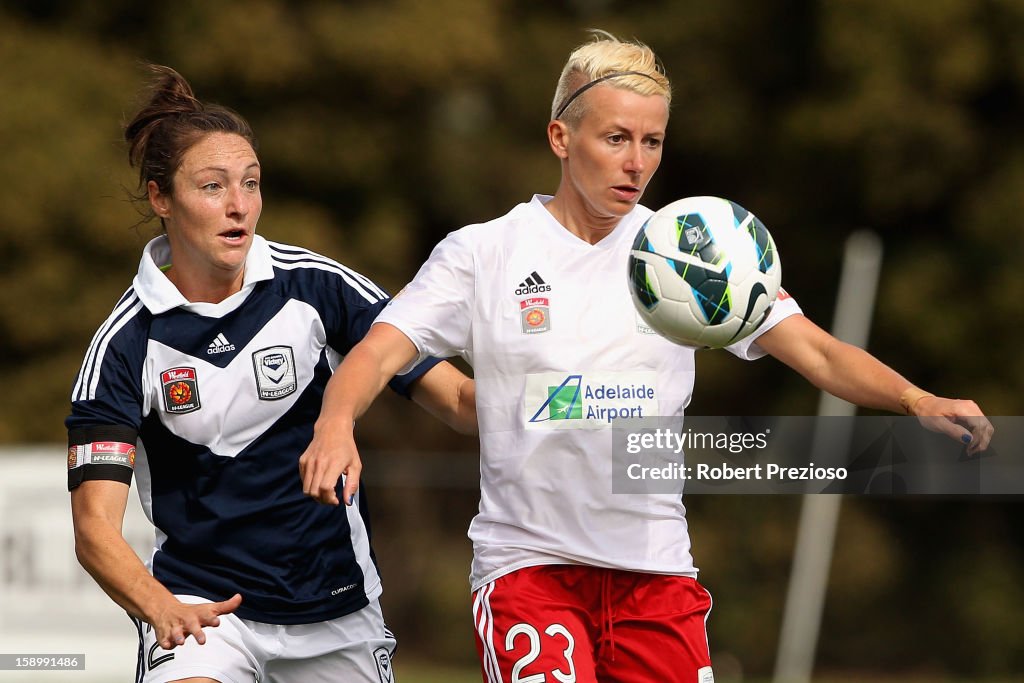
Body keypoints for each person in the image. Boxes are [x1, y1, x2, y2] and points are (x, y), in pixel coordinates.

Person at [298, 31, 994, 683]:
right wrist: (335, 423)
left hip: (655, 574)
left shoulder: (694, 251)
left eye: (653, 140)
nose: (637, 161)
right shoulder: (485, 252)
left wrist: (916, 399)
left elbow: (813, 348)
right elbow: (379, 350)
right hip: (529, 568)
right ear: (561, 138)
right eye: (617, 137)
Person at [66, 64, 475, 683]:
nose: (239, 207)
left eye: (251, 184)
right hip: (206, 617)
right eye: (212, 187)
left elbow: (464, 401)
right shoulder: (125, 345)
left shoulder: (318, 287)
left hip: (336, 610)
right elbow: (95, 529)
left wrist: (592, 398)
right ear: (160, 198)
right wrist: (162, 609)